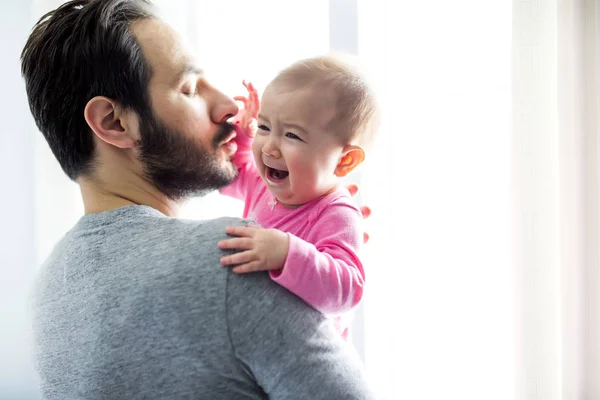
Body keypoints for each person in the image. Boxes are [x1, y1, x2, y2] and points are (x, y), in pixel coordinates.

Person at [21, 0, 376, 398]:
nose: (228, 106)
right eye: (189, 88)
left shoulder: (45, 297)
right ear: (114, 122)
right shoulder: (235, 255)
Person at [217, 59, 379, 340]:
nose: (269, 146)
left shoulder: (336, 213)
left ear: (345, 160)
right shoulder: (265, 185)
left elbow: (346, 290)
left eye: (291, 135)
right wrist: (243, 136)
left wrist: (286, 253)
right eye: (264, 127)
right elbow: (232, 175)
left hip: (307, 356)